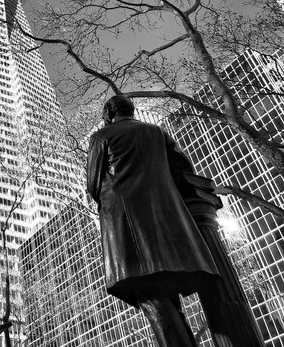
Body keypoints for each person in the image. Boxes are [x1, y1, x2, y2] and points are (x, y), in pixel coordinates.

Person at [86, 96, 219, 347]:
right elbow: (183, 169)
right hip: (166, 222)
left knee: (150, 296)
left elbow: (92, 185)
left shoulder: (101, 137)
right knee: (166, 296)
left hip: (125, 223)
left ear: (108, 113)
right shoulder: (156, 132)